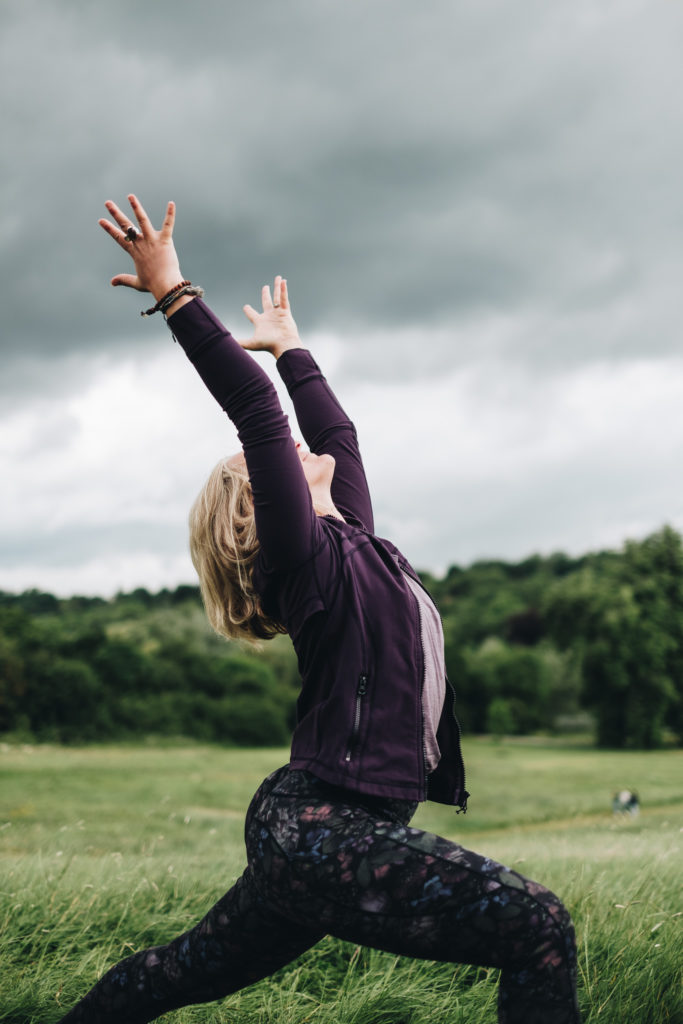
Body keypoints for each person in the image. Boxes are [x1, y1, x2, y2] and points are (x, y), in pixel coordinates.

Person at [56, 195, 580, 1023]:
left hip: (328, 832)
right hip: (318, 828)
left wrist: (293, 348)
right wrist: (174, 292)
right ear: (257, 514)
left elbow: (337, 433)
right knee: (538, 925)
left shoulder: (359, 547)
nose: (302, 449)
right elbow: (258, 411)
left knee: (166, 977)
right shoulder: (302, 566)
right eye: (269, 462)